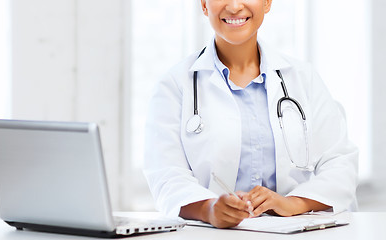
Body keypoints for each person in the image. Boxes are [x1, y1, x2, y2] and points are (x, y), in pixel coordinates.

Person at [143, 0, 358, 229]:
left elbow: (340, 163)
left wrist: (292, 203)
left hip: (295, 232)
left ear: (267, 3)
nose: (235, 6)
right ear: (204, 5)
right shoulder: (175, 85)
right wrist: (209, 209)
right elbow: (165, 175)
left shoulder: (303, 79)